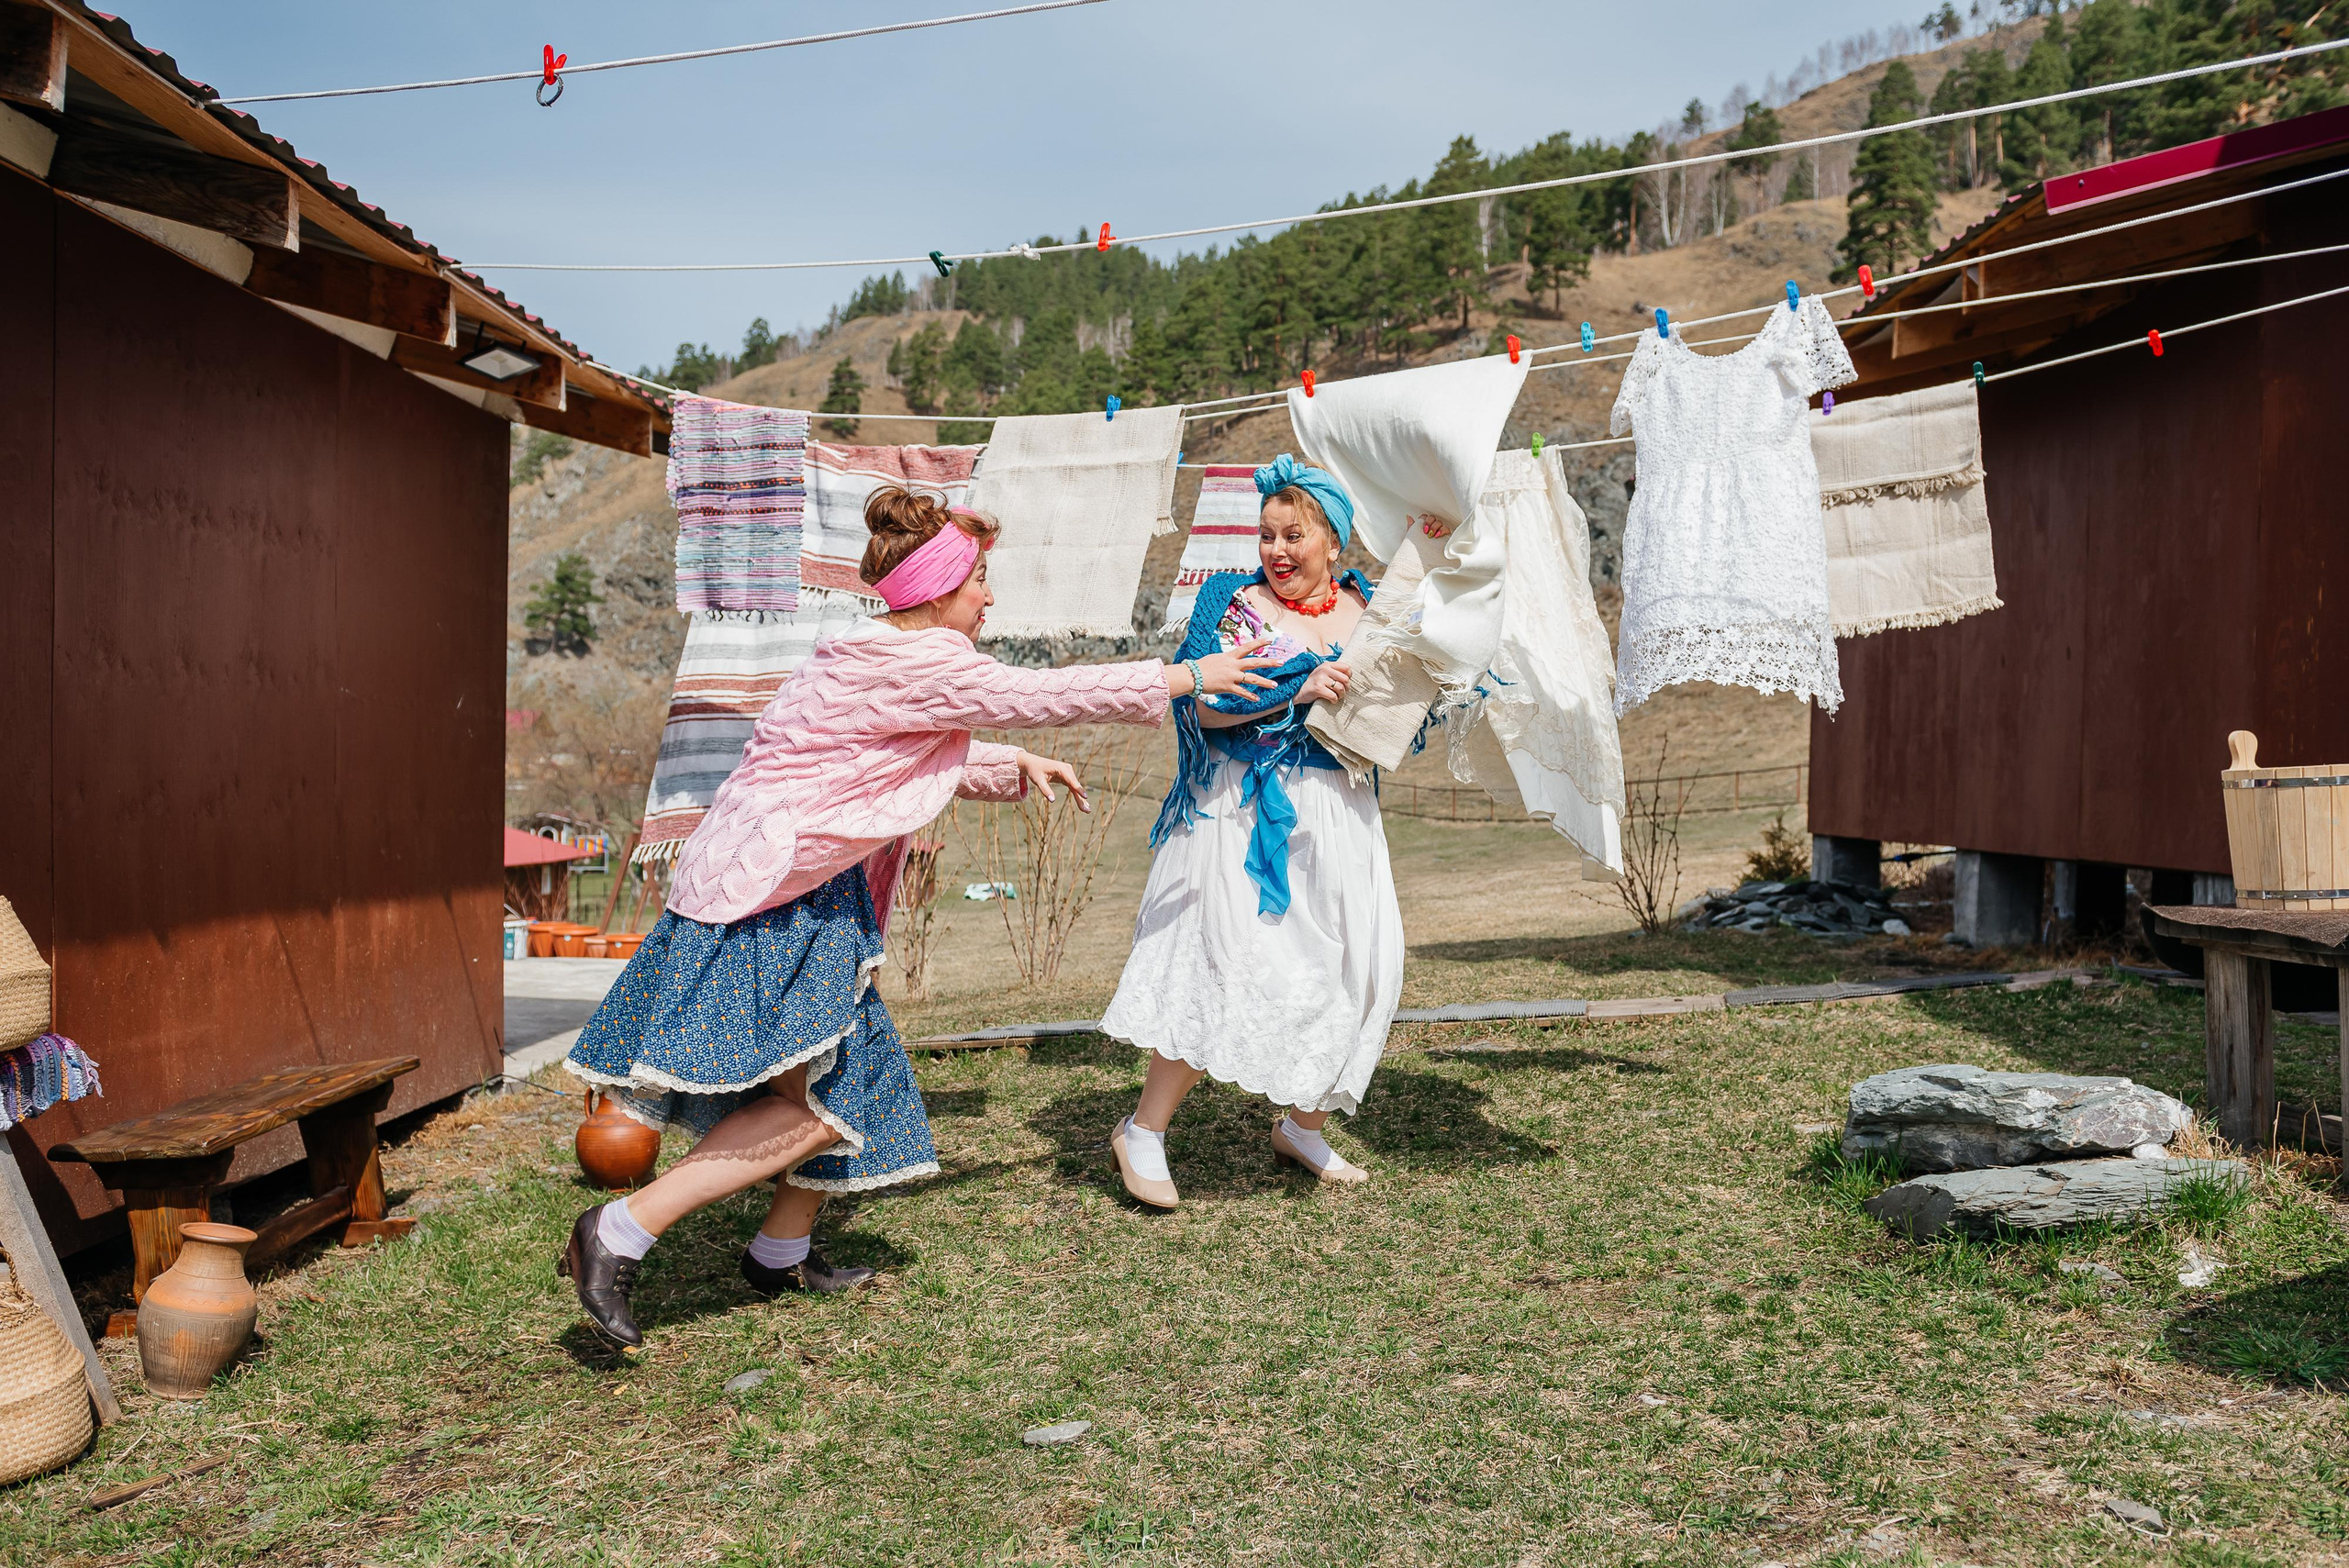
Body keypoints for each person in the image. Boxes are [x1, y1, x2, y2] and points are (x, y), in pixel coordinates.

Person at [559, 486, 1280, 1345]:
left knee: (850, 1083)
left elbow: (907, 744)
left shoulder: (871, 650)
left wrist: (1015, 766)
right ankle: (616, 1231)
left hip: (794, 892)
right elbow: (1041, 692)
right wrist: (1187, 676)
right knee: (816, 1108)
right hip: (773, 901)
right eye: (979, 580)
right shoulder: (922, 659)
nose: (989, 597)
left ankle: (779, 1250)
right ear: (939, 589)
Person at [1099, 455, 1408, 1208]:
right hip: (1245, 809)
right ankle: (1142, 1130)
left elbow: (1398, 694)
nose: (1275, 550)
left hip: (1341, 811)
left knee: (1357, 969)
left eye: (1292, 535)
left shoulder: (1367, 606)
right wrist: (1293, 688)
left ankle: (1302, 1126)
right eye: (1266, 534)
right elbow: (1198, 708)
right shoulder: (1233, 603)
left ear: (1333, 540)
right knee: (1224, 963)